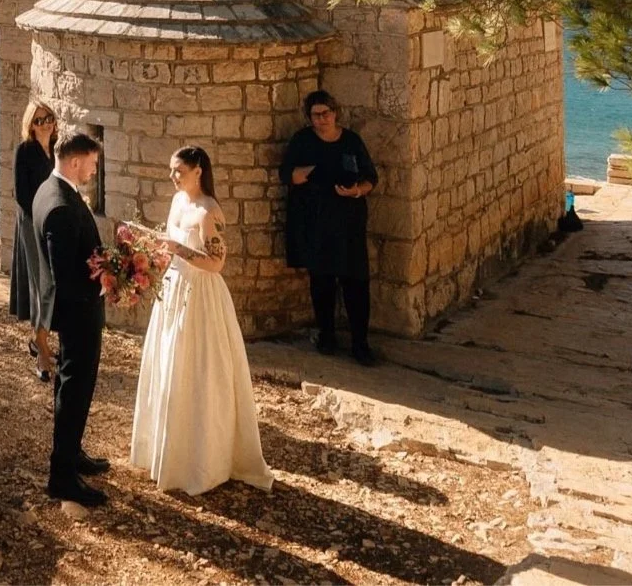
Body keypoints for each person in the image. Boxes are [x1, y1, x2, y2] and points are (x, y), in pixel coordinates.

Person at [130, 146, 274, 496]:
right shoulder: (178, 202)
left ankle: (203, 459)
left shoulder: (208, 211)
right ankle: (167, 451)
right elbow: (170, 246)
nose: (173, 177)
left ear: (198, 170)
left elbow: (216, 264)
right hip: (174, 290)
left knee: (199, 371)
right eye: (171, 170)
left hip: (201, 296)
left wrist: (178, 250)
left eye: (178, 171)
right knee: (171, 367)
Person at [34, 130, 111, 508]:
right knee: (74, 388)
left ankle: (72, 453)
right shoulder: (61, 205)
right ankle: (62, 475)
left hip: (72, 313)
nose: (94, 172)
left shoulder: (49, 189)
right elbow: (66, 278)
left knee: (72, 388)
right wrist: (104, 285)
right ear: (76, 162)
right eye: (93, 165)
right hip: (77, 314)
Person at [281, 90, 380, 365]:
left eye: (326, 113)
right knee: (322, 281)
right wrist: (306, 173)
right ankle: (327, 336)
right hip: (316, 223)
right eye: (316, 115)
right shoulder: (302, 141)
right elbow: (286, 174)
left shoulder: (351, 141)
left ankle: (361, 343)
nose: (322, 119)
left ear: (335, 113)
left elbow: (371, 177)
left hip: (348, 223)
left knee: (356, 282)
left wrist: (357, 191)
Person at [9, 101, 57, 382]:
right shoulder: (24, 151)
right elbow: (22, 195)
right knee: (42, 286)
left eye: (48, 118)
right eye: (39, 120)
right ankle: (41, 350)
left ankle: (39, 340)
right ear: (30, 124)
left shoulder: (57, 148)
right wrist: (41, 218)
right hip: (32, 223)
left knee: (53, 285)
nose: (45, 124)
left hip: (54, 225)